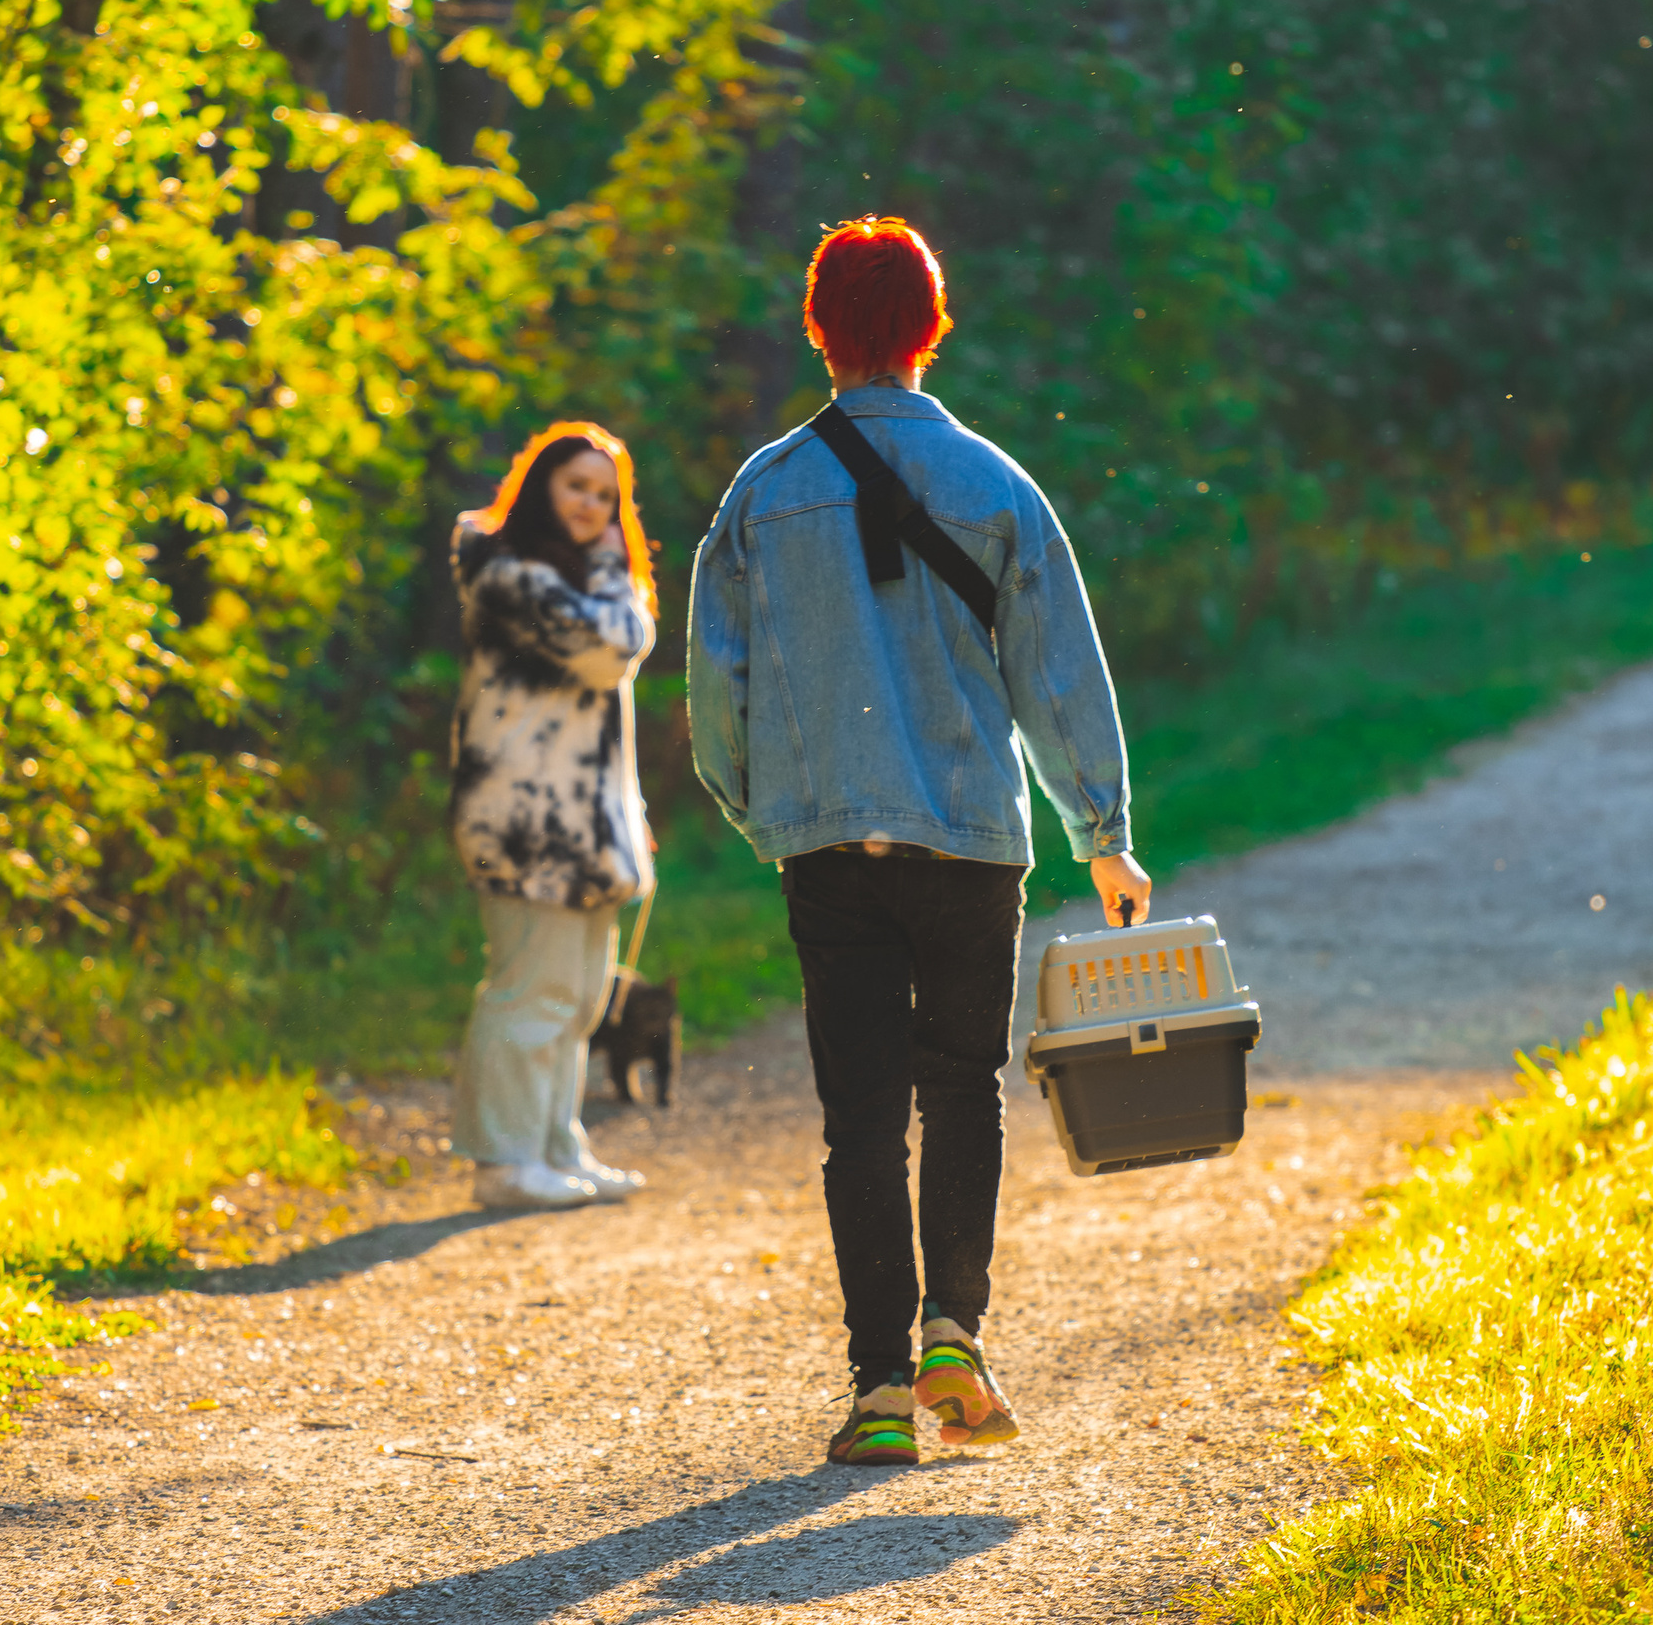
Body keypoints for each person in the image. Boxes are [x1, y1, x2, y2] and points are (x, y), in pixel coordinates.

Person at [686, 217, 1152, 1464]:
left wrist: (760, 804)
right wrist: (1100, 831)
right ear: (931, 328)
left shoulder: (762, 491)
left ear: (817, 328)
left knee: (859, 1118)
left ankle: (879, 1390)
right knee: (961, 1090)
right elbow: (1057, 673)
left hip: (830, 843)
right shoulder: (996, 484)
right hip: (970, 840)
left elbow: (715, 681)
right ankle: (956, 1331)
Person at [449, 421, 659, 1211]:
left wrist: (625, 815)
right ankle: (504, 1162)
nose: (591, 504)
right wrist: (610, 561)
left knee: (576, 999)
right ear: (540, 485)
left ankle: (554, 1147)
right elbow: (616, 647)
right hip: (524, 822)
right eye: (577, 486)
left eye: (606, 495)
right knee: (528, 992)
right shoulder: (509, 576)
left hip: (587, 825)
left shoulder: (576, 582)